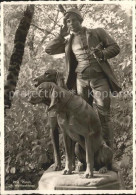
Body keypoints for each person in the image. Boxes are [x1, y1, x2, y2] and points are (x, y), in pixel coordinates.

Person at [45, 8, 121, 150]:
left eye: (74, 19)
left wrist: (102, 54)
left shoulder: (98, 32)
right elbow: (49, 50)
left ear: (80, 20)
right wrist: (60, 37)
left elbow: (115, 47)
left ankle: (108, 154)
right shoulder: (68, 42)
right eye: (68, 21)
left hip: (99, 79)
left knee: (104, 115)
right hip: (80, 81)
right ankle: (86, 155)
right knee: (82, 117)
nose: (71, 23)